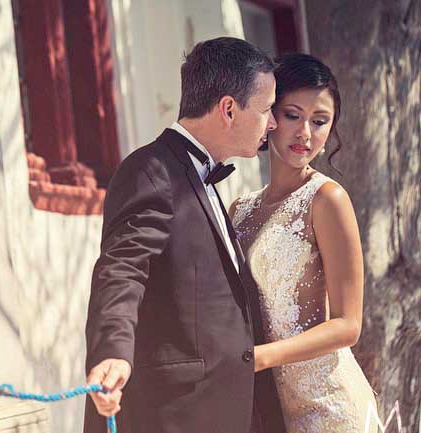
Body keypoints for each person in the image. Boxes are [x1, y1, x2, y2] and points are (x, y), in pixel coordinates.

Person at [84, 37, 287, 433]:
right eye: (266, 110)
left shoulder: (203, 174)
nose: (274, 123)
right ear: (228, 109)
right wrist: (112, 352)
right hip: (176, 415)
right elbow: (122, 268)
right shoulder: (151, 171)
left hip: (229, 408)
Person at [230, 53, 377, 433]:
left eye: (320, 121)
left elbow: (348, 325)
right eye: (293, 115)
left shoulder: (327, 200)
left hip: (331, 408)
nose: (305, 134)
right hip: (272, 411)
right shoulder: (239, 211)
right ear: (270, 116)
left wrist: (260, 357)